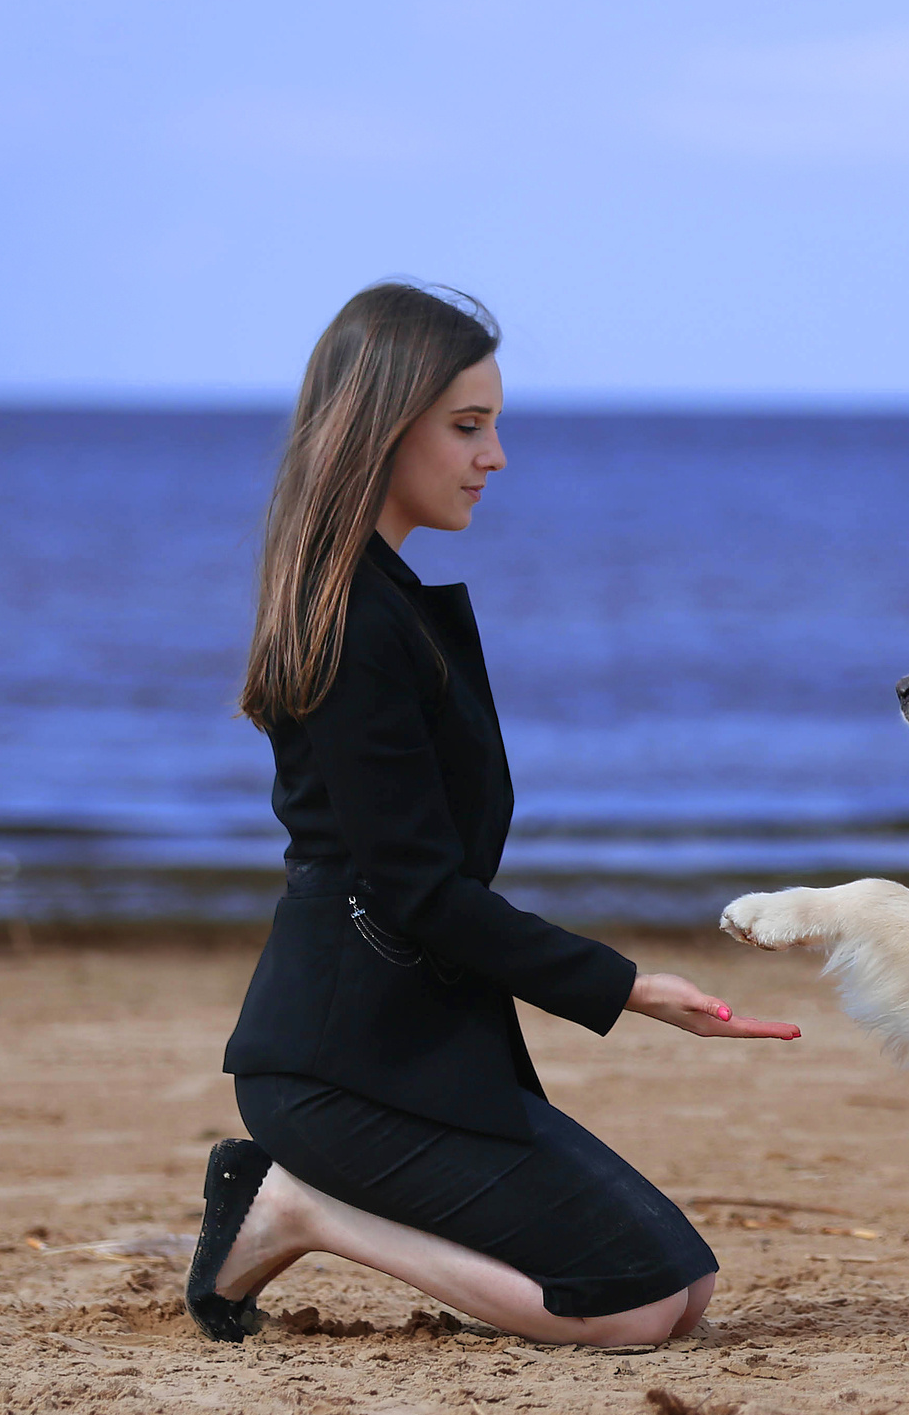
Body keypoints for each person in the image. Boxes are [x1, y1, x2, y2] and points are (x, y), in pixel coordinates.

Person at [186, 281, 800, 1349]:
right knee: (634, 1307)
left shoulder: (385, 603)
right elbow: (416, 891)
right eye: (468, 427)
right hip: (336, 1069)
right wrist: (630, 987)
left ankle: (305, 1202)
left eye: (492, 426)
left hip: (417, 1048)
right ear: (382, 428)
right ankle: (300, 1208)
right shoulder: (352, 624)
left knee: (683, 1284)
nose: (495, 455)